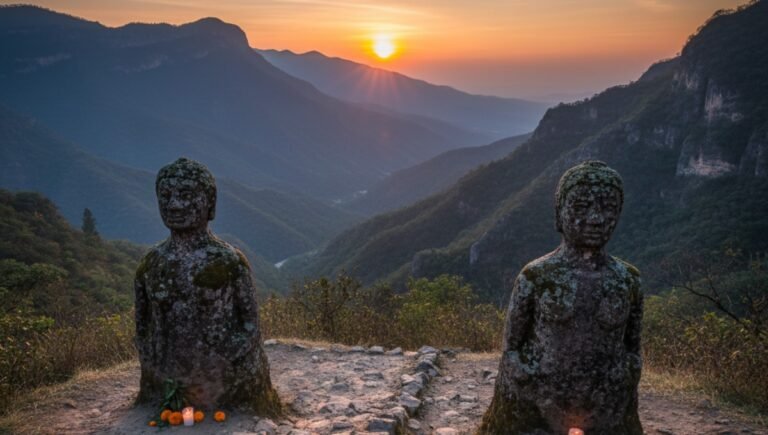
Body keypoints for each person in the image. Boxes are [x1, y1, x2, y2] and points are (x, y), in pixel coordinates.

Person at [479, 160, 642, 434]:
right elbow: (511, 347)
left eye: (608, 209)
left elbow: (633, 348)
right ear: (560, 213)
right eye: (581, 208)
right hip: (537, 404)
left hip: (607, 405)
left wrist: (622, 379)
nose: (595, 219)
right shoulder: (536, 277)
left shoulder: (628, 280)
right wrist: (532, 383)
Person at [134, 157, 279, 414]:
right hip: (166, 377)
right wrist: (152, 359)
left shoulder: (228, 262)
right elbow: (143, 325)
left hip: (224, 375)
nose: (174, 205)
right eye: (165, 195)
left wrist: (228, 354)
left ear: (210, 203)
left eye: (187, 195)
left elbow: (250, 324)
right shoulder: (151, 265)